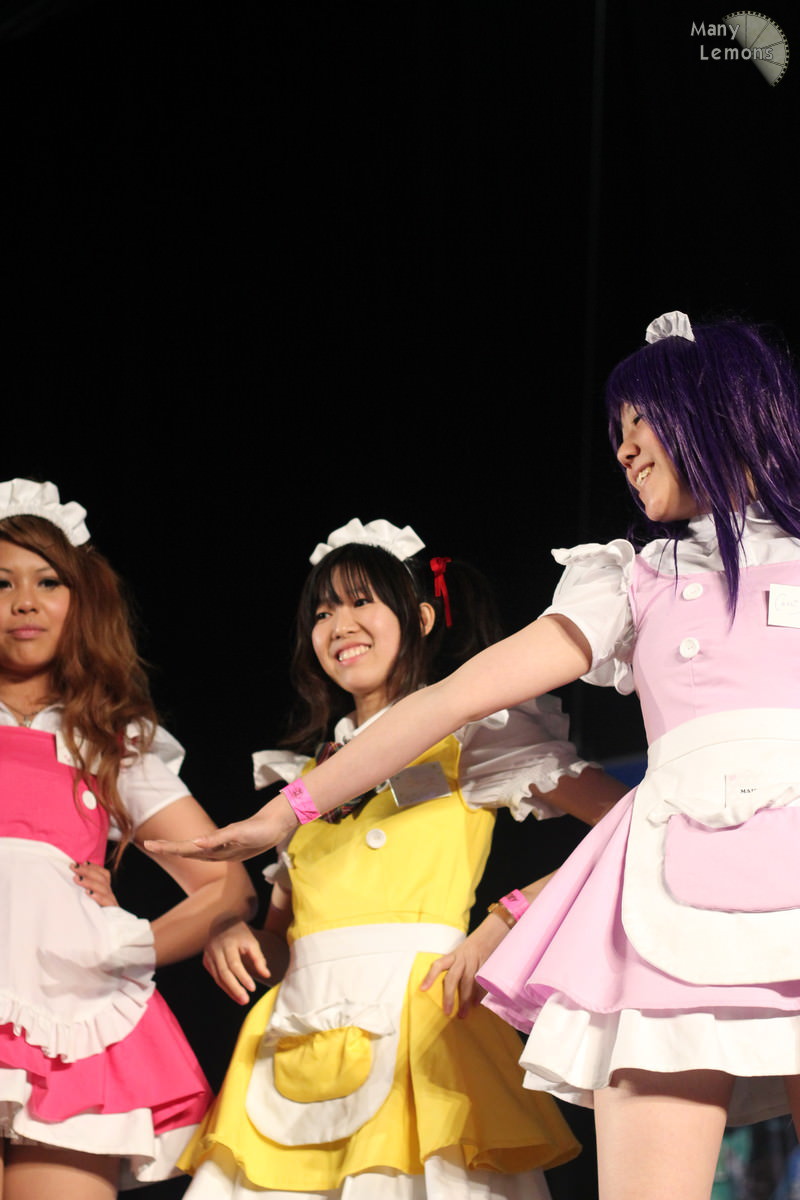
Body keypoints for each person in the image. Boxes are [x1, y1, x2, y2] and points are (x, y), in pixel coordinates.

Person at [148, 309, 800, 1200]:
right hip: (665, 909)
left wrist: (508, 911)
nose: (622, 448)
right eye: (616, 430)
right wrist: (284, 813)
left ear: (715, 409)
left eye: (639, 421)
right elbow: (448, 700)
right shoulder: (631, 579)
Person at [176, 518, 625, 1199]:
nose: (340, 625)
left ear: (419, 618)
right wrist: (230, 933)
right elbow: (283, 944)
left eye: (362, 602)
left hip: (422, 1031)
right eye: (323, 611)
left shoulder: (471, 736)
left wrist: (507, 918)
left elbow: (628, 825)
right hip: (296, 1046)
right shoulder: (302, 781)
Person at [0, 478, 256, 1198]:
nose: (25, 601)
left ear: (81, 600)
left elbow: (227, 882)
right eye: (1, 582)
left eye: (49, 581)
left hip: (65, 1023)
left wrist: (127, 943)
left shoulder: (110, 743)